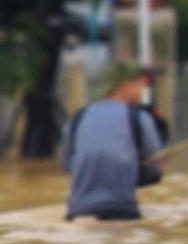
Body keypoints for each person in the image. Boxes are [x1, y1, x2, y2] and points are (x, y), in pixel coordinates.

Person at [60, 61, 165, 221]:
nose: (141, 91)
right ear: (125, 85)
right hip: (121, 209)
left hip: (77, 210)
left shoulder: (78, 117)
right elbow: (155, 170)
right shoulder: (139, 118)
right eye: (139, 85)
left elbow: (66, 164)